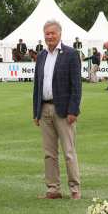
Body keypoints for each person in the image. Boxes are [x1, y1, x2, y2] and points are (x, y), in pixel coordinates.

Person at [33, 19, 82, 200]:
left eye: (52, 33)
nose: (49, 36)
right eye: (47, 34)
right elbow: (37, 86)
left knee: (69, 152)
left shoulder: (71, 54)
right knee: (49, 153)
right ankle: (53, 189)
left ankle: (75, 189)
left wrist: (73, 110)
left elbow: (76, 86)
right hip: (44, 108)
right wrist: (36, 112)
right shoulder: (41, 56)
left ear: (60, 34)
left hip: (64, 110)